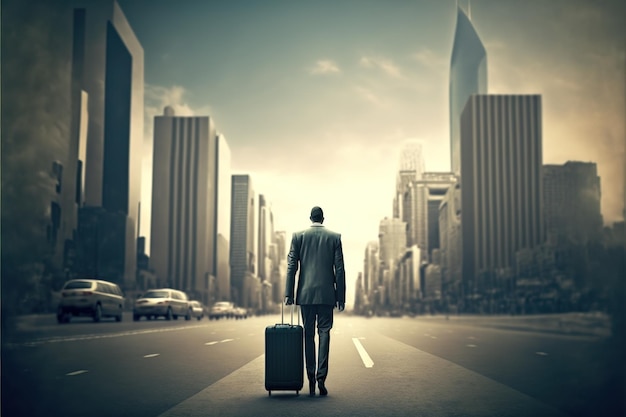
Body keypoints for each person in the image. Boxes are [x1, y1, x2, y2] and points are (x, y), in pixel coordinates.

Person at [285, 206, 346, 397]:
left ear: (310, 218)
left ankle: (310, 377)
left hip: (306, 294)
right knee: (325, 333)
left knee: (308, 334)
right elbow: (340, 269)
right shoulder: (334, 237)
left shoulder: (298, 236)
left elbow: (292, 265)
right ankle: (321, 378)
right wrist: (341, 296)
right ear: (323, 218)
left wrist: (289, 293)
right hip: (327, 295)